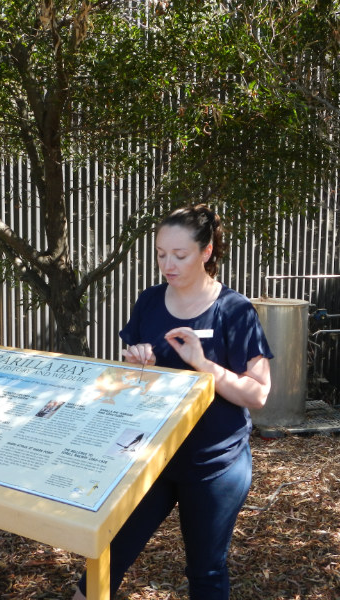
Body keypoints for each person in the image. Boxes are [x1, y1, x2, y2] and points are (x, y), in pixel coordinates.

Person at [72, 204, 273, 600]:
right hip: (150, 456)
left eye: (179, 255)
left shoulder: (234, 310)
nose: (169, 264)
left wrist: (202, 364)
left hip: (215, 463)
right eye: (161, 254)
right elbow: (129, 382)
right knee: (110, 556)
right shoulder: (148, 302)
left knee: (206, 571)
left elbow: (259, 394)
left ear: (206, 251)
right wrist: (135, 364)